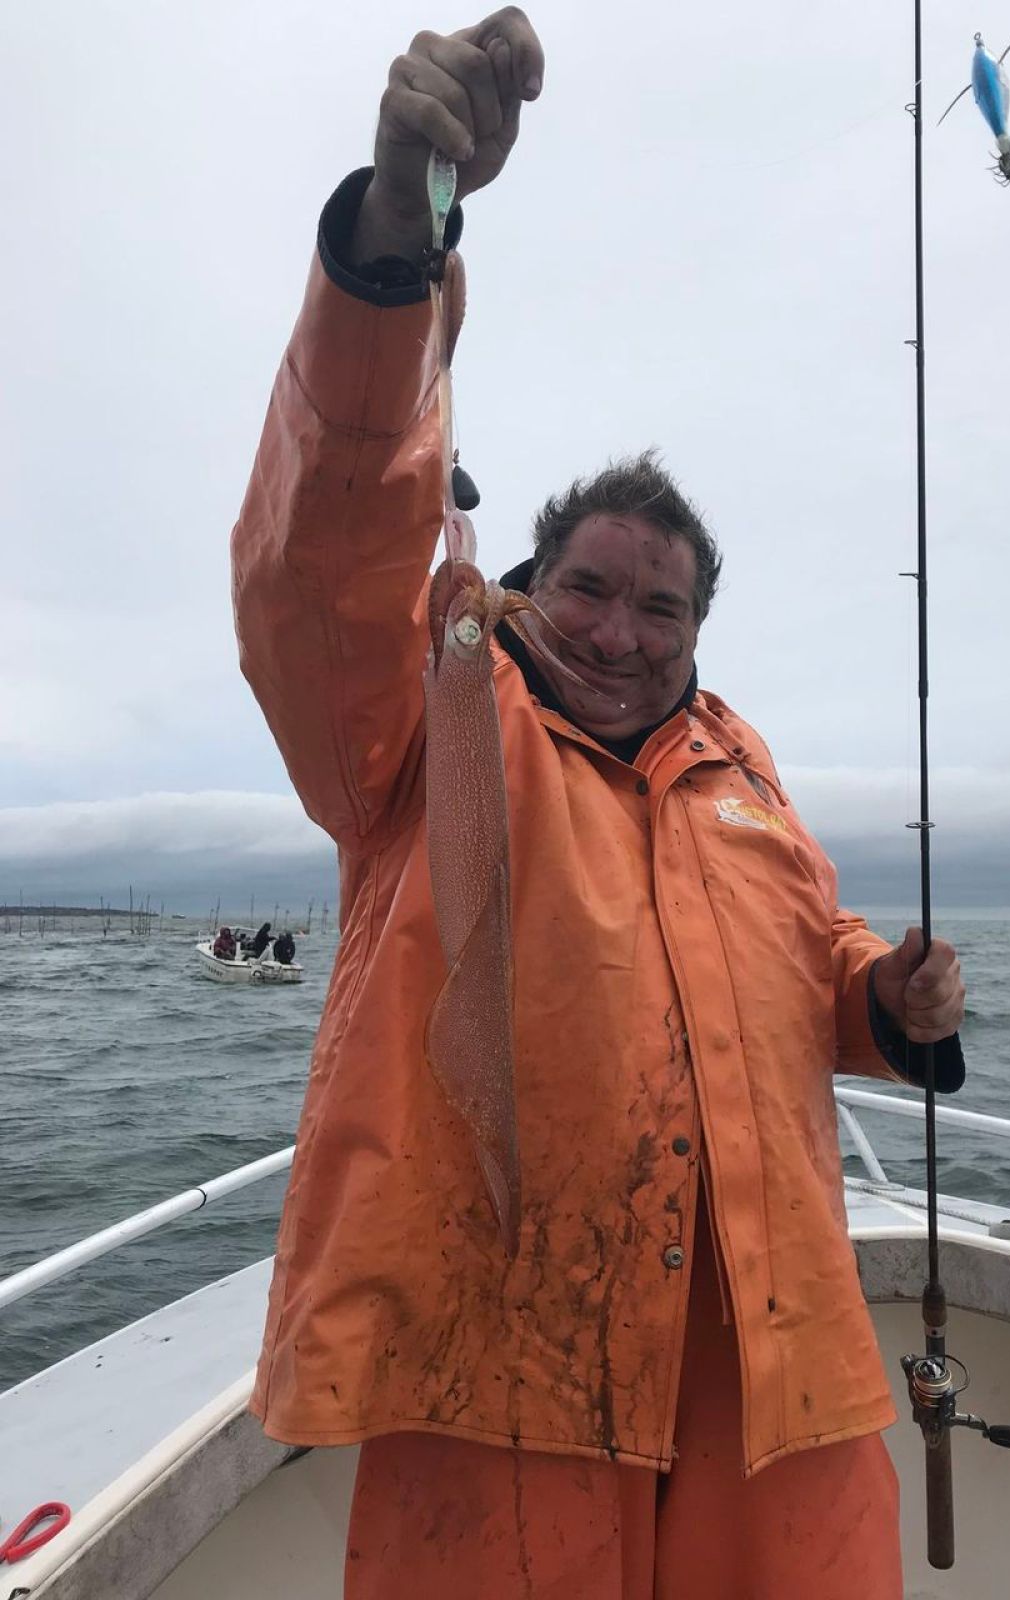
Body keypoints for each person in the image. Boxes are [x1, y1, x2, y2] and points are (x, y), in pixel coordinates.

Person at [232, 13, 966, 1597]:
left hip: (776, 1371)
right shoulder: (425, 714)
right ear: (522, 583)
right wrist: (395, 247)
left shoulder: (740, 769)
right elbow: (323, 567)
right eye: (588, 589)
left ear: (701, 630)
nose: (622, 635)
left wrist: (885, 1001)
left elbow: (807, 966)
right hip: (501, 1364)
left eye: (662, 608)